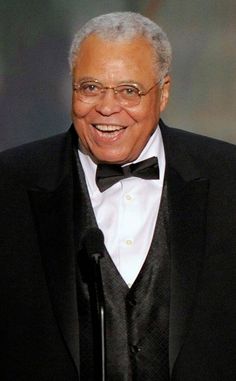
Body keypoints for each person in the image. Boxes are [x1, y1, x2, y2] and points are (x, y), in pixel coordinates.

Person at [0, 11, 235, 381]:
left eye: (129, 90)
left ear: (164, 93)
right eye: (90, 88)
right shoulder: (10, 183)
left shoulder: (228, 177)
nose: (107, 108)